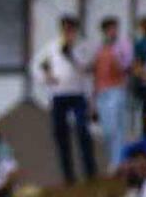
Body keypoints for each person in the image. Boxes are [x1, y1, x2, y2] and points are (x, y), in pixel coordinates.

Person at [32, 15, 97, 184]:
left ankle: (90, 172)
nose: (68, 32)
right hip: (58, 94)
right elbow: (35, 65)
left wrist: (70, 53)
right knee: (61, 134)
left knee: (83, 130)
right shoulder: (51, 47)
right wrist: (46, 77)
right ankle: (68, 175)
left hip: (78, 93)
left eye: (71, 29)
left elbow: (86, 67)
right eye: (65, 29)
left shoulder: (83, 46)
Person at [92, 17, 132, 174]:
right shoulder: (99, 47)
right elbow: (95, 72)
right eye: (109, 29)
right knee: (107, 129)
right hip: (102, 90)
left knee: (117, 127)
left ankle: (118, 162)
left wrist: (117, 60)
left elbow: (126, 65)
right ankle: (114, 159)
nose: (112, 32)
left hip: (117, 89)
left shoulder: (123, 45)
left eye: (114, 28)